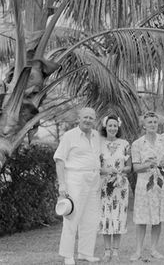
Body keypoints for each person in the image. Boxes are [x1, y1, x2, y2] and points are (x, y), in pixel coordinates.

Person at [130, 111, 164, 261]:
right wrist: (148, 164)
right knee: (142, 218)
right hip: (144, 185)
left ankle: (154, 249)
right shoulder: (137, 144)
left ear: (157, 124)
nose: (152, 124)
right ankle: (138, 251)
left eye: (154, 122)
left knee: (157, 218)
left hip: (161, 184)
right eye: (149, 122)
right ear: (144, 125)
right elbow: (136, 168)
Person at [53, 107, 101, 265]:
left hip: (94, 179)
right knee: (72, 218)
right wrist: (62, 184)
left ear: (95, 120)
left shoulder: (96, 136)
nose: (88, 120)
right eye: (85, 117)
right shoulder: (69, 136)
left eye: (91, 118)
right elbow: (59, 160)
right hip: (75, 179)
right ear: (79, 118)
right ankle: (68, 255)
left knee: (91, 218)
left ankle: (85, 253)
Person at [98, 115, 131, 262]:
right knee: (105, 217)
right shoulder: (99, 143)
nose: (113, 128)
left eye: (115, 126)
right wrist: (105, 171)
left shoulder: (125, 144)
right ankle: (106, 251)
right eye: (110, 125)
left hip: (120, 185)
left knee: (118, 217)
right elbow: (95, 165)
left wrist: (121, 171)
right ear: (105, 126)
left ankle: (116, 252)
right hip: (104, 185)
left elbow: (130, 166)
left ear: (118, 127)